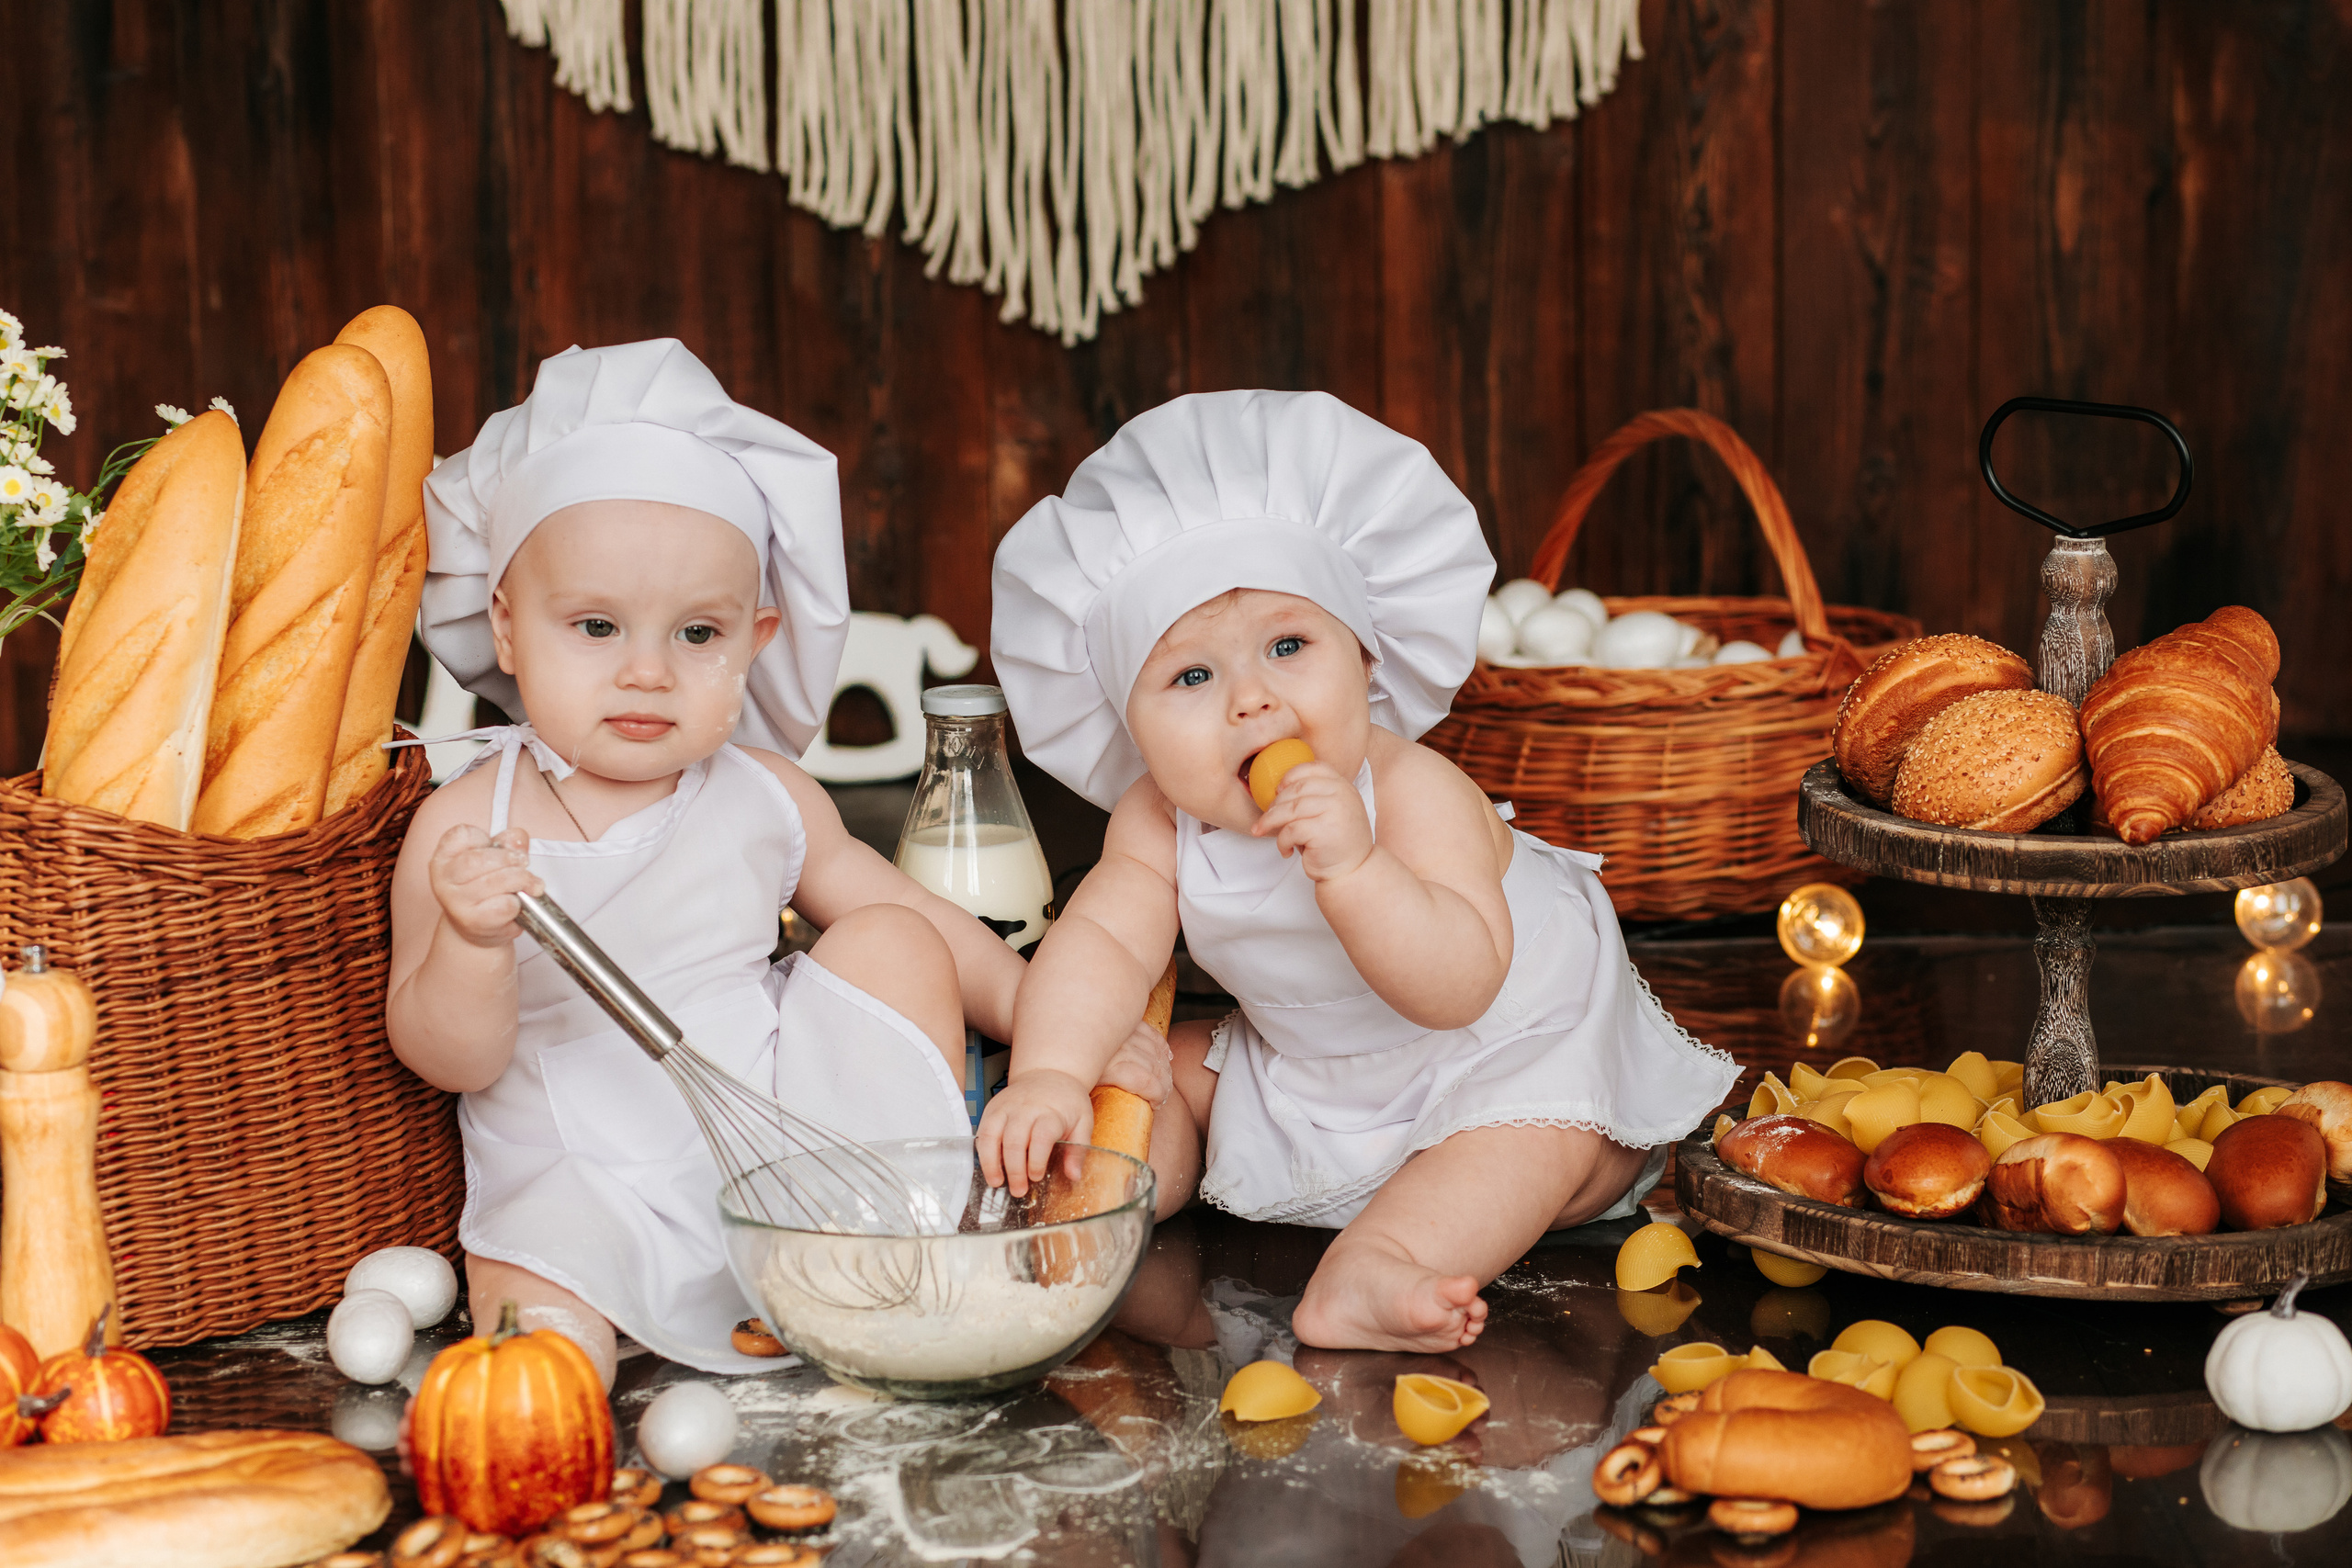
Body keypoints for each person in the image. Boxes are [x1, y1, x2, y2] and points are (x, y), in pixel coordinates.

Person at [978, 390, 1736, 1353]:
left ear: (1366, 658)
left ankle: (1376, 1269)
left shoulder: (1412, 789)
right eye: (1191, 678)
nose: (1252, 701)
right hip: (1311, 1061)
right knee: (1148, 1070)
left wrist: (1357, 869)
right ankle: (1108, 1196)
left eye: (1289, 647)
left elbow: (1456, 988)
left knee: (1531, 1148)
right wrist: (1049, 1074)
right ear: (1130, 728)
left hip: (1499, 1048)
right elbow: (1099, 943)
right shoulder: (1156, 819)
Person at [387, 340, 1043, 1381]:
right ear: (507, 630)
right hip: (582, 1172)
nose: (647, 672)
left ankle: (888, 1244)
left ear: (756, 639)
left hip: (788, 1158)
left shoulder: (765, 799)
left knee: (888, 934)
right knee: (533, 1319)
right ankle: (561, 1361)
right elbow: (447, 1060)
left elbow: (939, 940)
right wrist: (472, 939)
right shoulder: (465, 827)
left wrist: (1056, 1041)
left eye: (698, 634)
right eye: (596, 626)